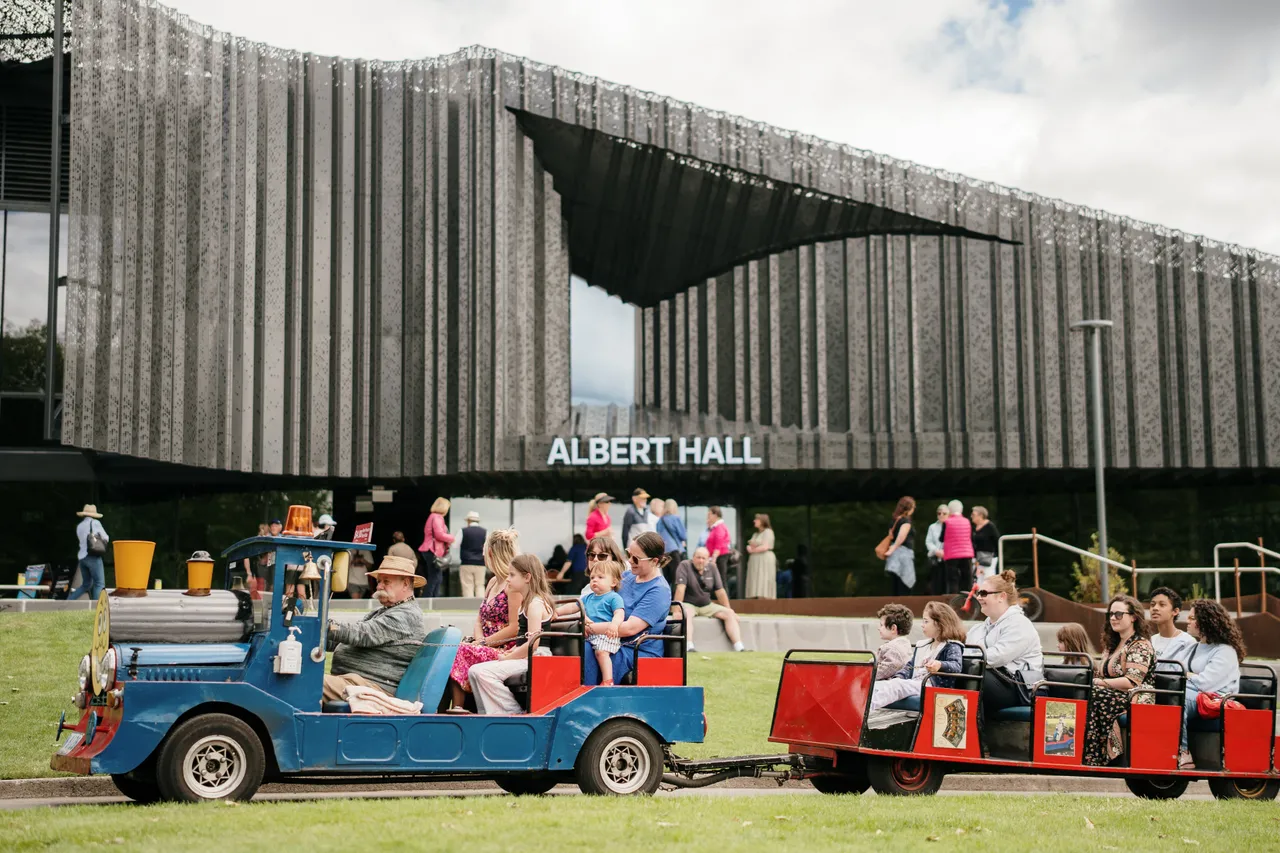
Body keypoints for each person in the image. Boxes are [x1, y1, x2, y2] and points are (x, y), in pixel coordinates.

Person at [322, 555, 426, 702]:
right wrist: (313, 635)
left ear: (405, 584)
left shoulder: (407, 614)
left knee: (304, 682)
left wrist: (323, 625)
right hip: (355, 681)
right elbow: (346, 640)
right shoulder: (385, 611)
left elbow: (361, 634)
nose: (379, 587)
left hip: (374, 687)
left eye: (386, 582)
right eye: (379, 581)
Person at [468, 554, 558, 714]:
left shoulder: (535, 604)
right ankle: (487, 716)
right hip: (528, 656)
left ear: (527, 577)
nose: (508, 579)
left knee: (483, 673)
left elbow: (534, 643)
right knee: (474, 671)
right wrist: (513, 651)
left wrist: (509, 657)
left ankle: (511, 712)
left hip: (537, 658)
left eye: (512, 575)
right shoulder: (527, 603)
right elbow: (525, 640)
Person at [580, 531, 673, 686]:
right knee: (575, 643)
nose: (630, 561)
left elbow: (629, 629)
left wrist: (589, 627)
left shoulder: (659, 590)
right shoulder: (627, 576)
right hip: (610, 639)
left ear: (654, 561)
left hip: (636, 649)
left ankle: (589, 697)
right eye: (628, 554)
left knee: (587, 649)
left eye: (636, 558)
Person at [447, 528, 522, 711]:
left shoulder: (513, 586)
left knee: (459, 651)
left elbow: (515, 627)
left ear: (490, 553)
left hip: (505, 647)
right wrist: (479, 640)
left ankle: (458, 708)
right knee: (451, 650)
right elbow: (480, 619)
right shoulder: (492, 582)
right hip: (485, 643)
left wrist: (485, 643)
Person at [1082, 595, 1156, 766]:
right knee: (1083, 691)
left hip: (1136, 697)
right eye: (1111, 614)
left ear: (1133, 617)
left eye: (1119, 614)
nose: (1113, 618)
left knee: (1095, 693)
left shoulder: (1140, 645)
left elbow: (1132, 682)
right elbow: (1101, 675)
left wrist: (1099, 683)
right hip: (1110, 694)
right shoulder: (1112, 644)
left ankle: (1098, 755)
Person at [1177, 599, 1245, 769]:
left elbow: (1206, 683)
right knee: (1166, 695)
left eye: (1193, 618)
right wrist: (1186, 676)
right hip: (1197, 694)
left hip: (1215, 700)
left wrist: (1185, 675)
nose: (1188, 621)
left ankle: (1183, 753)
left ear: (1205, 621)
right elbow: (1175, 671)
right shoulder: (1194, 647)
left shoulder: (1225, 651)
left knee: (1179, 699)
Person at [966, 570, 1044, 712]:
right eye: (978, 593)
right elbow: (968, 654)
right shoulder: (978, 629)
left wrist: (964, 659)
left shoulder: (1020, 624)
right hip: (994, 680)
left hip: (1020, 687)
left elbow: (997, 657)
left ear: (1001, 596)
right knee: (952, 672)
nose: (978, 598)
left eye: (983, 593)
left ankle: (971, 731)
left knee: (974, 674)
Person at [871, 601, 966, 710]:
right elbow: (909, 667)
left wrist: (940, 665)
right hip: (916, 684)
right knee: (877, 686)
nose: (922, 625)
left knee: (897, 686)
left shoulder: (952, 646)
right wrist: (898, 677)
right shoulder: (923, 645)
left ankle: (865, 710)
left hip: (933, 686)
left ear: (940, 624)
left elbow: (956, 666)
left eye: (926, 621)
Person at [673, 547, 746, 652]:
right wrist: (676, 610)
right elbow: (680, 588)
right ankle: (689, 646)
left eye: (704, 558)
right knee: (686, 614)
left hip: (707, 605)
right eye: (698, 557)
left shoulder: (712, 567)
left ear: (708, 560)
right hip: (689, 604)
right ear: (693, 558)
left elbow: (720, 591)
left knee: (729, 614)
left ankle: (739, 647)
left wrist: (730, 610)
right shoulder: (685, 565)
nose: (701, 560)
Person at [581, 559, 627, 684]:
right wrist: (557, 612)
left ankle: (608, 680)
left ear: (613, 582)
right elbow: (575, 606)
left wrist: (614, 625)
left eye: (600, 577)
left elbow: (619, 613)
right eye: (592, 577)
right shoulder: (588, 598)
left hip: (606, 635)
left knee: (601, 652)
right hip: (591, 634)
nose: (594, 580)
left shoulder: (614, 597)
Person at [69, 504, 110, 602]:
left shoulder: (79, 526)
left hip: (82, 558)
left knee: (86, 585)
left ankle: (68, 601)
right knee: (99, 584)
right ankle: (96, 608)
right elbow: (106, 537)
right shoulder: (95, 523)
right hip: (93, 557)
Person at [418, 497, 455, 597]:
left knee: (436, 577)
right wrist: (452, 538)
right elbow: (439, 534)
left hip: (430, 550)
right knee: (435, 577)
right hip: (432, 550)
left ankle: (433, 600)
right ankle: (429, 600)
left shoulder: (433, 516)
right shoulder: (437, 517)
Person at [1148, 586, 1197, 662]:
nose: (1155, 608)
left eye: (1162, 605)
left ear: (1175, 611)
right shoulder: (1150, 641)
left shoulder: (1187, 642)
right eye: (1152, 604)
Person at [883, 498, 916, 595]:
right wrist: (892, 549)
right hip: (903, 556)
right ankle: (902, 607)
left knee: (896, 584)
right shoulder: (905, 521)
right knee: (904, 584)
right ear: (909, 508)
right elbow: (901, 537)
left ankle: (894, 608)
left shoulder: (894, 520)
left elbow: (891, 536)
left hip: (894, 557)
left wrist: (891, 550)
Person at [941, 499, 975, 594]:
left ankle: (953, 596)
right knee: (967, 576)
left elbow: (941, 538)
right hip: (966, 553)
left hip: (952, 554)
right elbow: (970, 536)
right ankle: (967, 596)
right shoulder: (967, 521)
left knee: (953, 577)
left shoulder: (947, 522)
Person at [875, 604, 914, 680]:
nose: (879, 628)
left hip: (886, 686)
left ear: (893, 628)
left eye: (881, 625)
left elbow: (881, 672)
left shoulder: (893, 649)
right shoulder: (904, 644)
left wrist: (863, 673)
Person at [744, 514, 777, 599]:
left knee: (764, 577)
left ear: (762, 521)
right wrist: (749, 547)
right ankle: (756, 597)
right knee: (756, 579)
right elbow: (750, 544)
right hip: (755, 560)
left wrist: (753, 550)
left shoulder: (768, 532)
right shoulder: (756, 534)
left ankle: (765, 599)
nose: (754, 521)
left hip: (764, 559)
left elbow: (765, 546)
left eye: (757, 519)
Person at [457, 511, 488, 598]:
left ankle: (469, 607)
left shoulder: (462, 531)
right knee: (480, 585)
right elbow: (487, 547)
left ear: (468, 521)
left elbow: (455, 545)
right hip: (480, 563)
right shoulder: (485, 532)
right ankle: (480, 606)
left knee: (467, 585)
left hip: (466, 562)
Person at [658, 498, 687, 573]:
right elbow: (683, 536)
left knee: (667, 579)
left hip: (664, 553)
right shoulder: (675, 518)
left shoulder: (659, 521)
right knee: (677, 577)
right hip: (674, 551)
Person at [924, 504, 948, 595]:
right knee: (935, 583)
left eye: (944, 513)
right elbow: (928, 541)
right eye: (939, 513)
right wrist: (936, 551)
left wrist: (946, 552)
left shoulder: (951, 526)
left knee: (947, 582)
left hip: (948, 558)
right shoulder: (932, 527)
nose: (941, 515)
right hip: (935, 558)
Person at [705, 506, 733, 584]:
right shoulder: (715, 527)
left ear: (715, 515)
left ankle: (723, 596)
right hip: (718, 556)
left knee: (721, 579)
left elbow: (719, 543)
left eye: (710, 514)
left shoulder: (719, 526)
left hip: (720, 556)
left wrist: (714, 558)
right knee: (718, 580)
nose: (708, 516)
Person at [970, 506, 999, 576]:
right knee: (977, 580)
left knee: (988, 578)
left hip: (989, 558)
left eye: (973, 514)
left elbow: (997, 541)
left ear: (981, 515)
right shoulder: (973, 527)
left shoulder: (990, 526)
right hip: (977, 559)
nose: (971, 516)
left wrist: (994, 554)